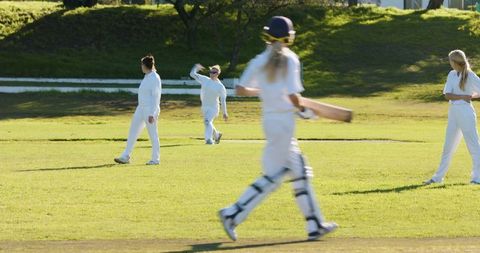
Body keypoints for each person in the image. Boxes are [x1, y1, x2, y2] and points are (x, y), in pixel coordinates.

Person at [218, 16, 337, 242]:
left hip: (271, 122)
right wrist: (306, 111)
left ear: (267, 35)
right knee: (274, 177)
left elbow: (241, 90)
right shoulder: (291, 59)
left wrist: (264, 91)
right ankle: (232, 213)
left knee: (301, 172)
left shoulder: (258, 61)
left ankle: (315, 225)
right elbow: (293, 96)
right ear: (289, 37)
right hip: (284, 122)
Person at [425, 50, 480, 185]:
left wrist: (471, 96)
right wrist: (463, 96)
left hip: (466, 112)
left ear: (455, 61)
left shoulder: (470, 75)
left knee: (474, 146)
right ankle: (438, 177)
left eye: (450, 60)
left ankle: (477, 178)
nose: (449, 62)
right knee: (448, 147)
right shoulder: (451, 74)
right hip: (454, 112)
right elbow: (447, 95)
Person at [114, 55, 162, 165]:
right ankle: (126, 155)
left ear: (145, 66)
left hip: (150, 109)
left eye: (142, 65)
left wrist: (153, 113)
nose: (141, 67)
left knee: (153, 134)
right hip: (141, 108)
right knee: (133, 131)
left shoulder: (155, 77)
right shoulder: (147, 76)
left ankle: (155, 159)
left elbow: (156, 97)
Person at [190, 63, 228, 145]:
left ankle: (208, 139)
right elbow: (192, 74)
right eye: (210, 72)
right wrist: (196, 68)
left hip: (214, 108)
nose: (211, 74)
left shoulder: (220, 87)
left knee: (207, 121)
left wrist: (225, 113)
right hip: (204, 107)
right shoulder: (205, 79)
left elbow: (223, 100)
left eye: (214, 72)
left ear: (218, 74)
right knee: (207, 122)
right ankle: (217, 135)